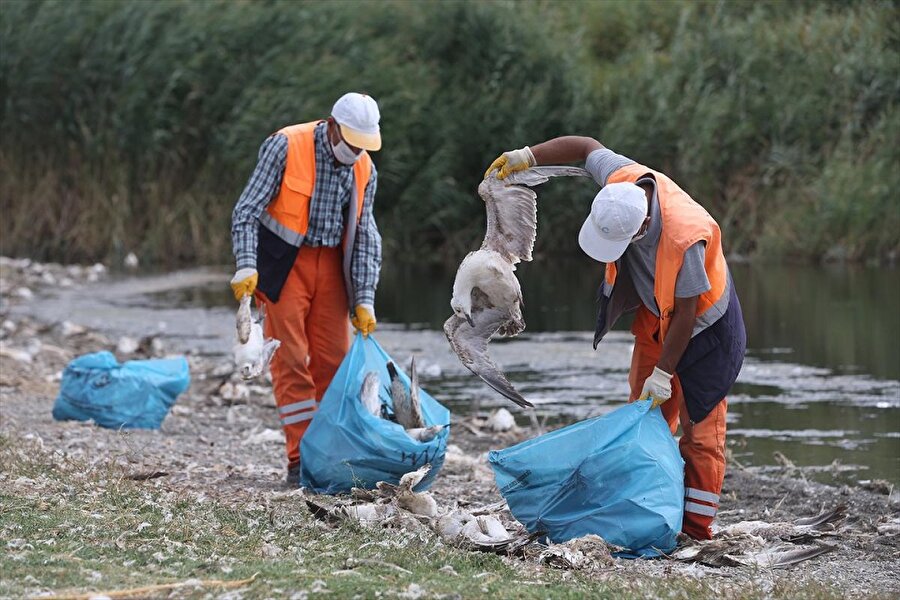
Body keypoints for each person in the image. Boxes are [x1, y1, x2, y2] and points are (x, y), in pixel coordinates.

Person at [486, 138, 747, 540]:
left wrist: (664, 373)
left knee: (701, 436)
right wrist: (526, 157)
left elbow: (687, 315)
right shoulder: (622, 184)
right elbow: (584, 145)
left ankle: (695, 530)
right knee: (641, 416)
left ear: (642, 226)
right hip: (657, 318)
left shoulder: (685, 237)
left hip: (708, 332)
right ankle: (644, 508)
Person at [230, 92, 383, 486]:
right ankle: (299, 460)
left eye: (363, 145)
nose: (356, 152)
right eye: (350, 142)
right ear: (332, 127)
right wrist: (247, 265)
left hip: (333, 267)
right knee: (290, 359)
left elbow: (366, 235)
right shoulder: (285, 145)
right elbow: (246, 210)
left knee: (336, 364)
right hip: (286, 265)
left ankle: (331, 457)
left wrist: (364, 298)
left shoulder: (365, 169)